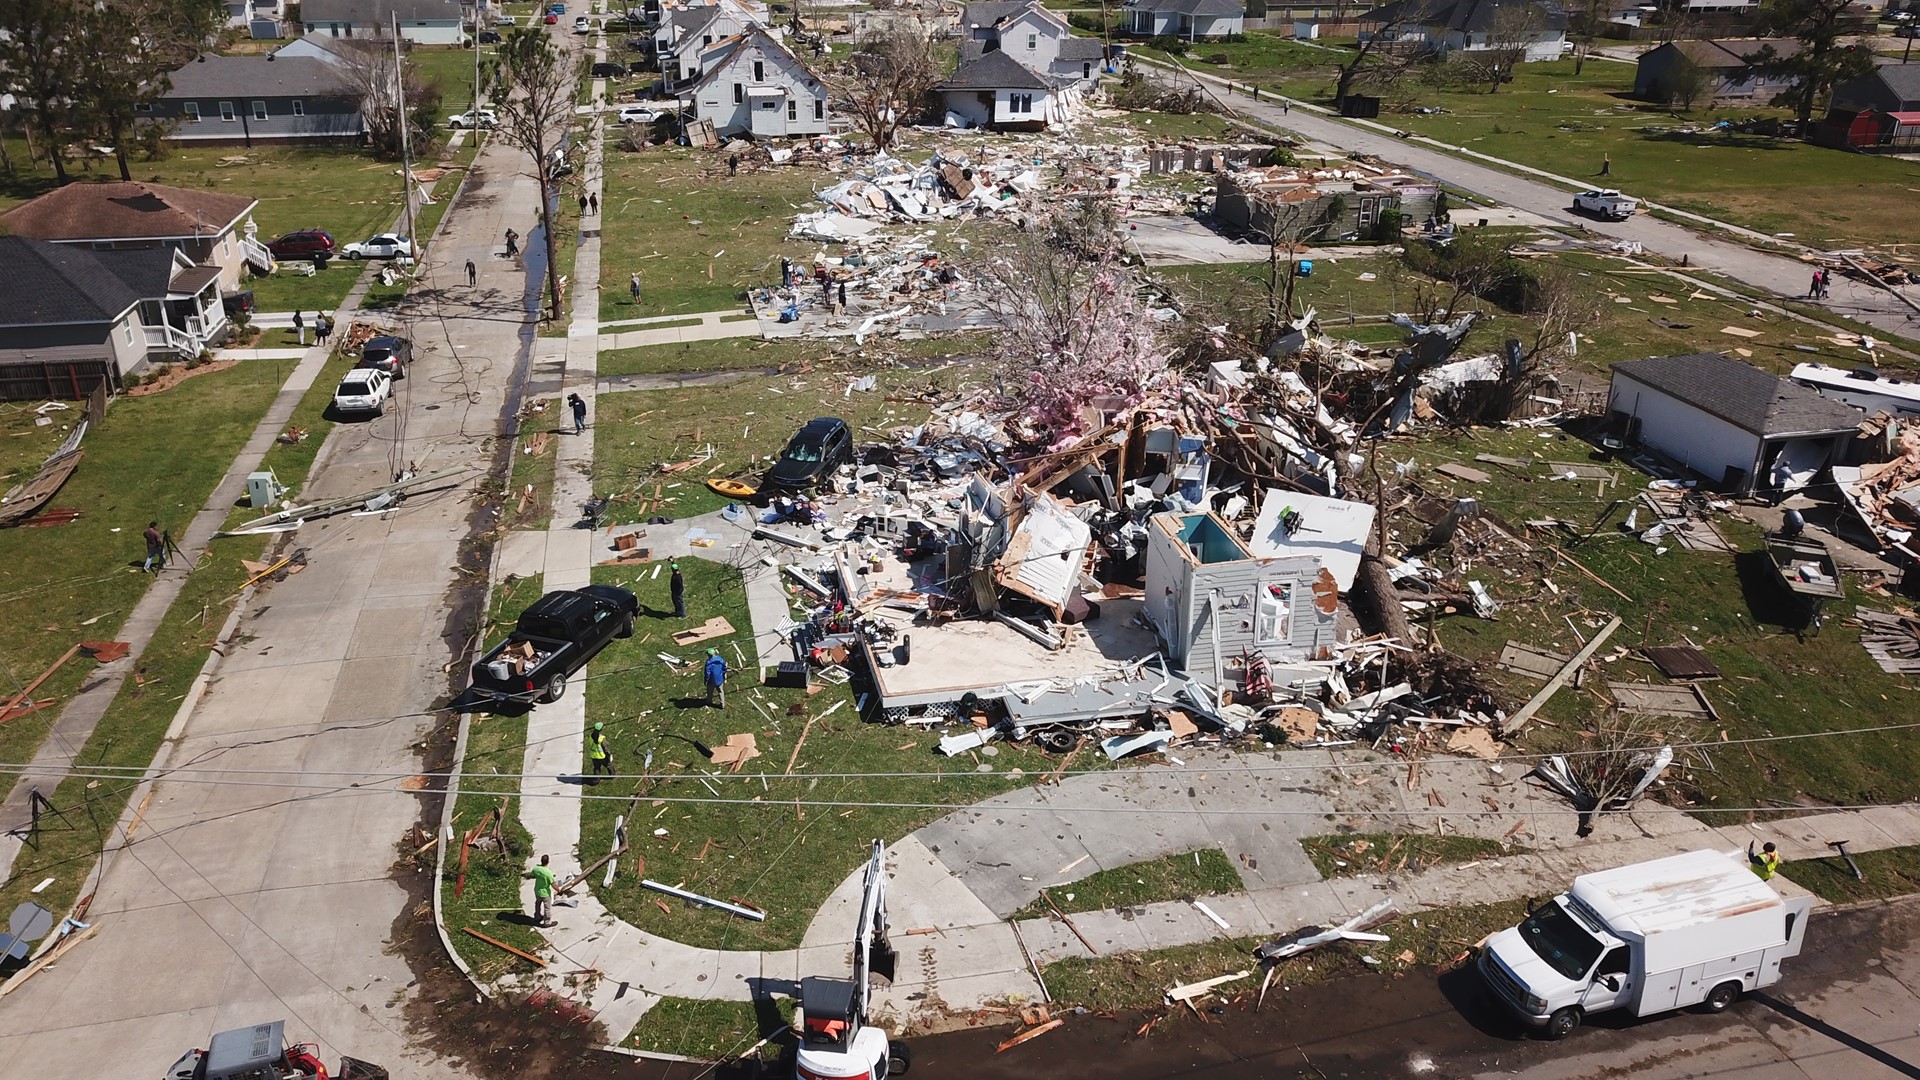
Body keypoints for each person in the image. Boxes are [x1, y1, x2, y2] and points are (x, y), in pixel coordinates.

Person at [524, 854, 557, 926]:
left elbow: (532, 875)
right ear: (548, 862)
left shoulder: (536, 868)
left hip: (537, 891)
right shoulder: (548, 873)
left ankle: (537, 917)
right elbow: (553, 884)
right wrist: (559, 890)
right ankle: (547, 923)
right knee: (547, 908)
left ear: (541, 861)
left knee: (538, 904)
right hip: (545, 893)